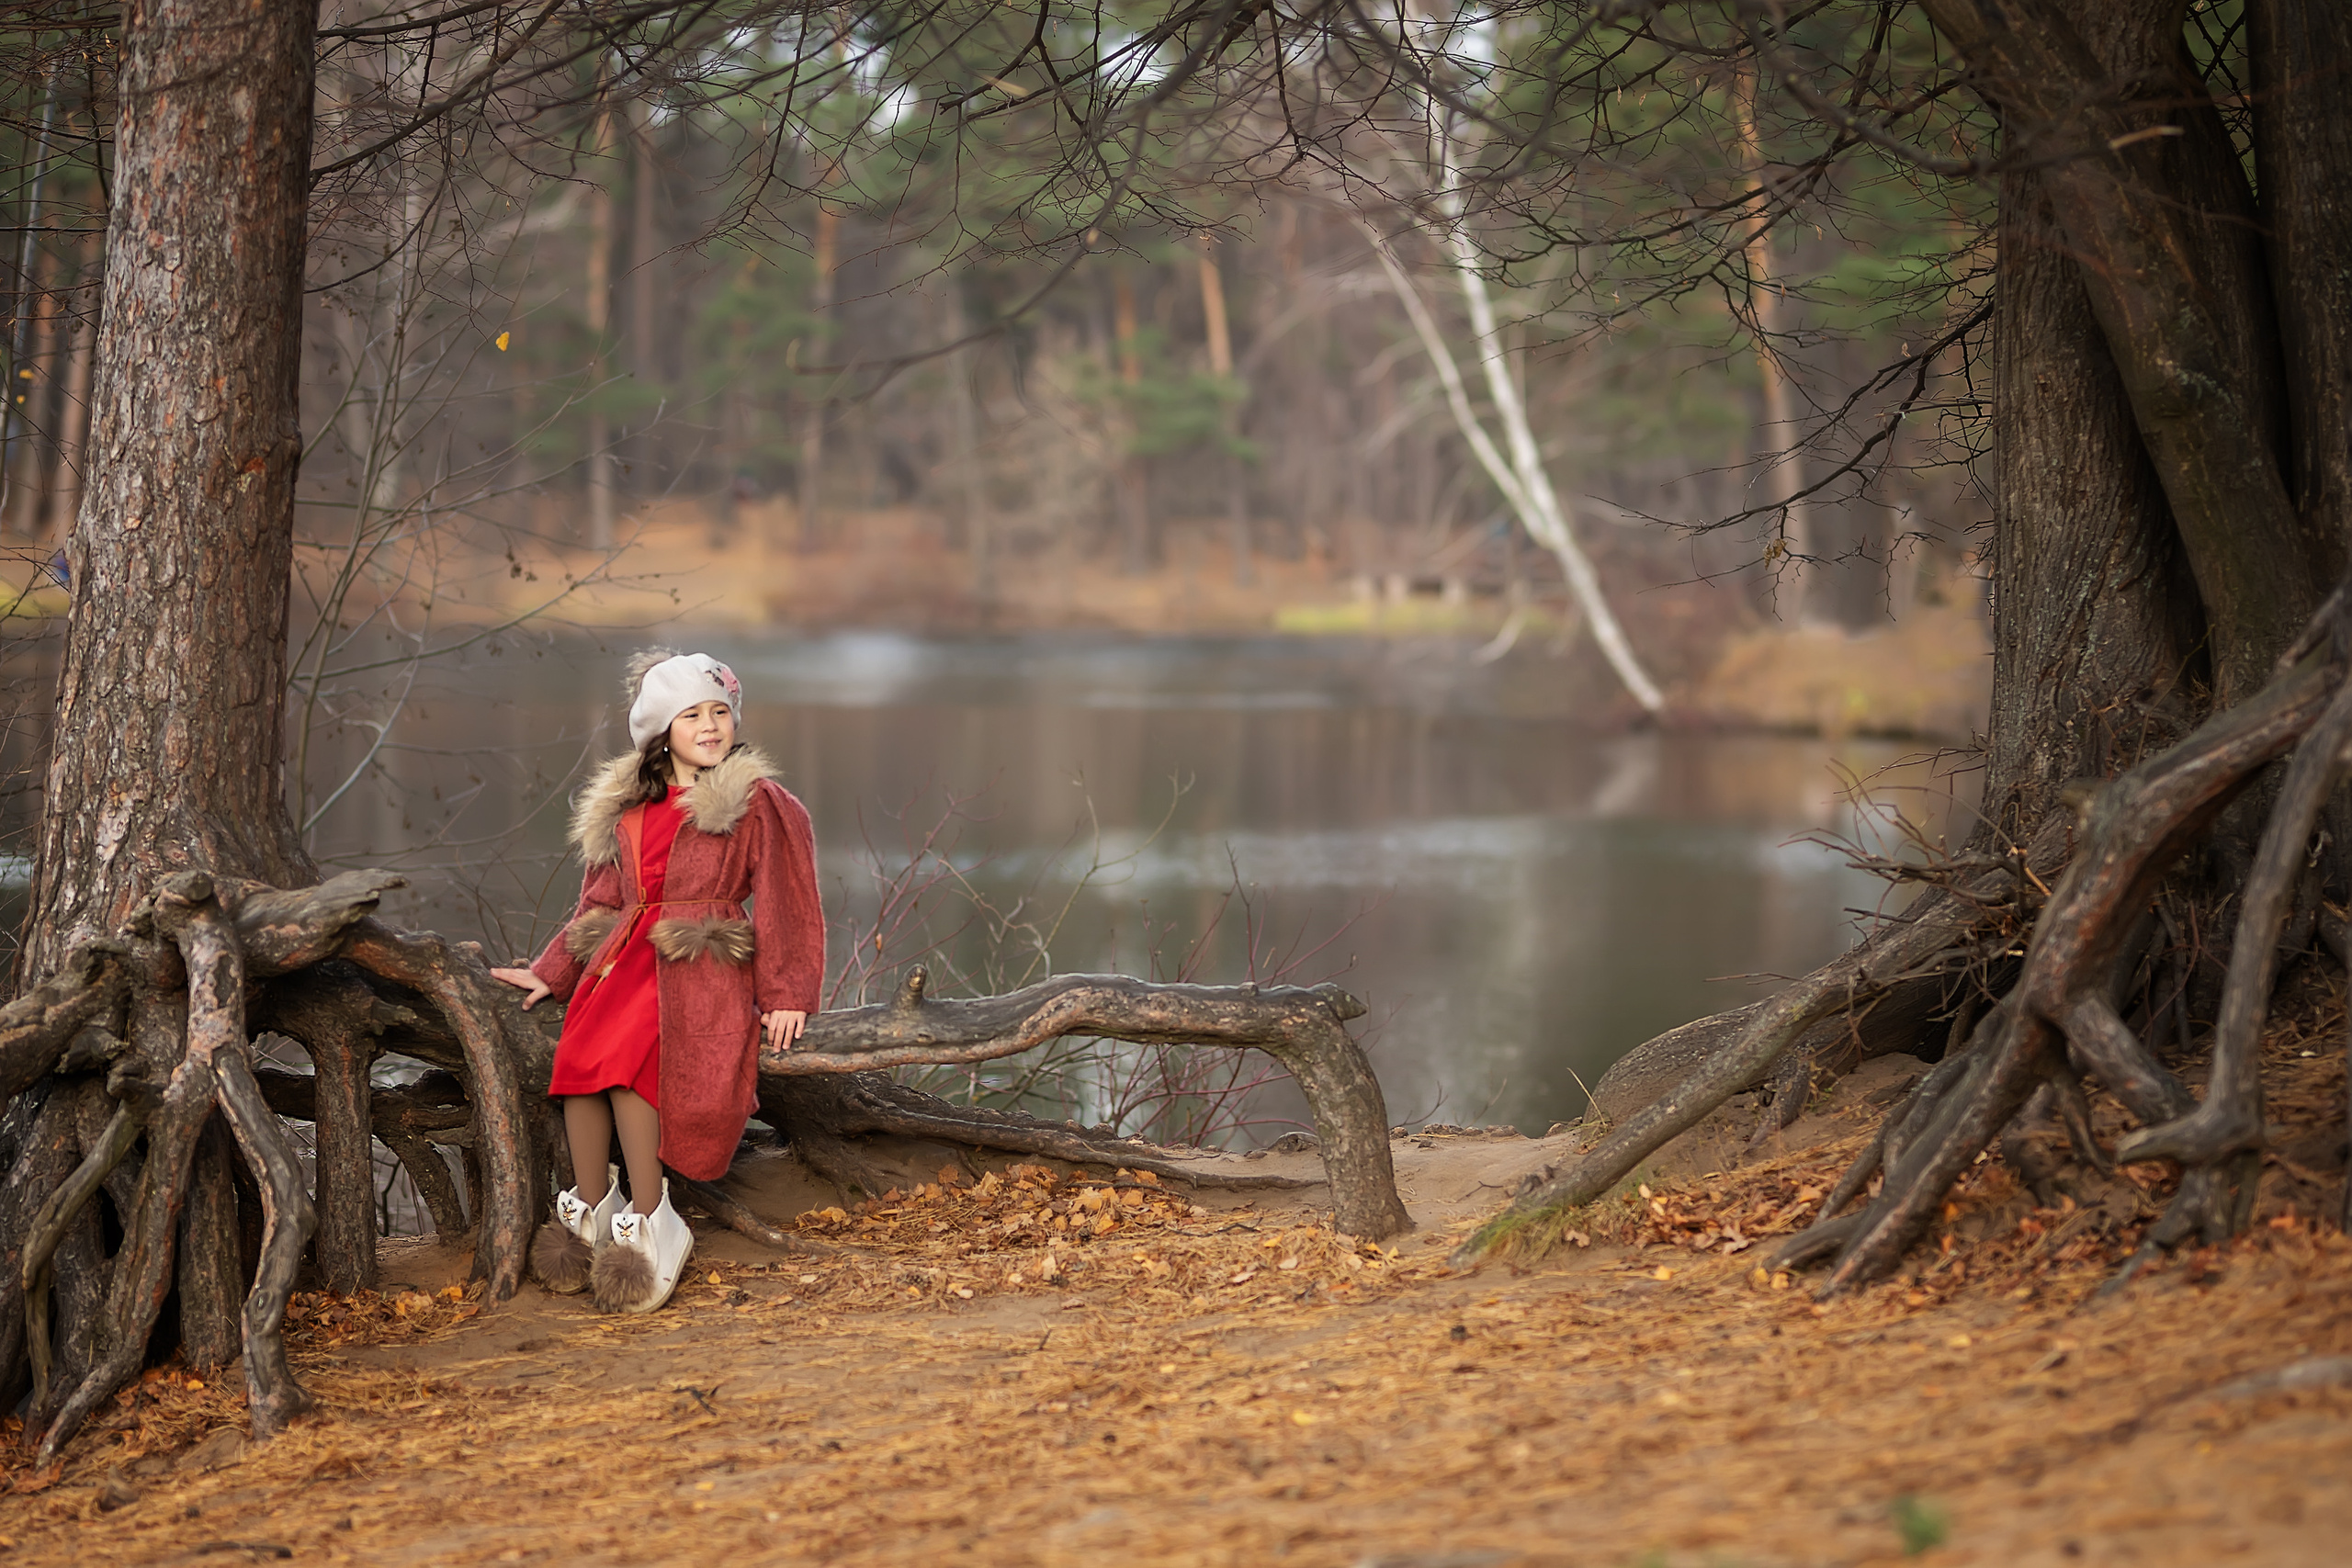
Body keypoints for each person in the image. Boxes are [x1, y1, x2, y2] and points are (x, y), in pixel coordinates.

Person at [492, 650, 823, 1312]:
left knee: (631, 1062)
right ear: (661, 730)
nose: (710, 726)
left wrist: (788, 992)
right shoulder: (630, 806)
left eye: (720, 712)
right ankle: (592, 1206)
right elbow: (600, 902)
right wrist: (554, 970)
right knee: (580, 1059)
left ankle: (651, 1216)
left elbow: (789, 899)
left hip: (701, 963)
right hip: (624, 957)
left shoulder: (757, 801)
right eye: (692, 715)